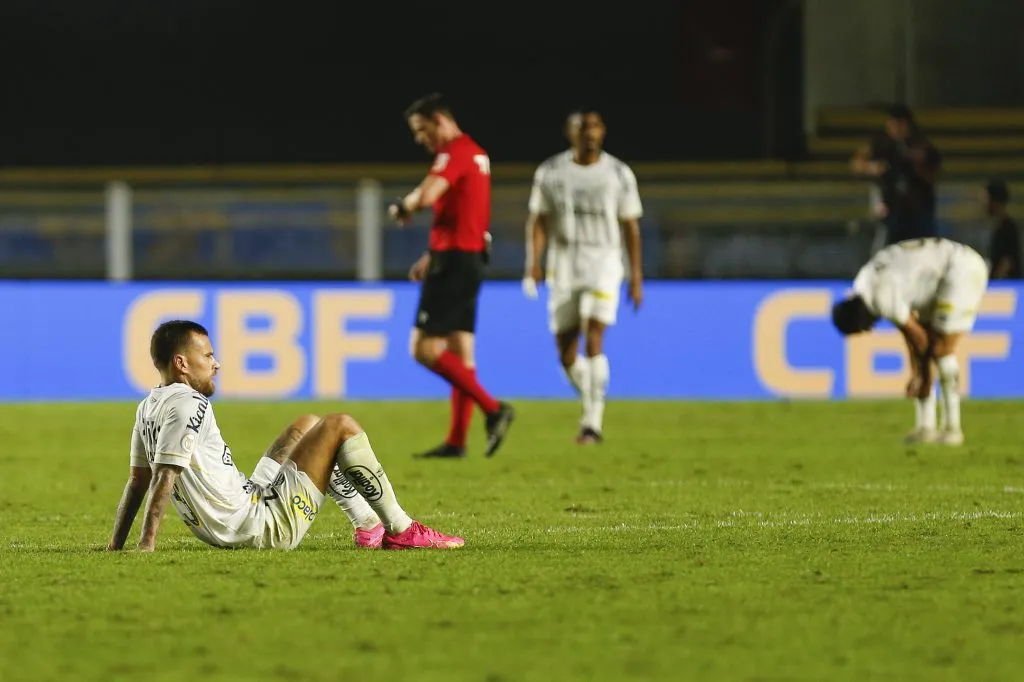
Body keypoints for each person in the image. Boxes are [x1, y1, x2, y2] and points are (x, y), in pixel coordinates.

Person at [105, 320, 464, 552]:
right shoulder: (189, 404)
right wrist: (147, 543)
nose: (217, 363)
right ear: (182, 363)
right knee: (341, 424)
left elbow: (138, 480)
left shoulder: (148, 406)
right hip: (257, 527)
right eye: (209, 355)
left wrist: (115, 546)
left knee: (306, 424)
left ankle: (366, 524)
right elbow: (165, 475)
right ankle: (401, 529)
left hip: (242, 507)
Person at [388, 92, 515, 459]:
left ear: (440, 121)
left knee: (423, 349)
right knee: (461, 351)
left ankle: (493, 409)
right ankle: (457, 441)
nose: (419, 139)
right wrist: (433, 252)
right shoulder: (476, 154)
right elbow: (463, 213)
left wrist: (406, 204)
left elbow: (430, 193)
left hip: (456, 263)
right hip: (467, 257)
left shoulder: (455, 152)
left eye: (421, 129)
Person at [521, 108, 644, 443]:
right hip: (563, 267)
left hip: (604, 264)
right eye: (582, 128)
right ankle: (592, 400)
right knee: (565, 353)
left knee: (594, 337)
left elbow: (630, 225)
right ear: (570, 132)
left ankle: (592, 423)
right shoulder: (550, 172)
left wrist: (635, 276)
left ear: (602, 132)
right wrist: (533, 261)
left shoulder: (618, 173)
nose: (589, 133)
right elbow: (539, 220)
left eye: (595, 127)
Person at [830, 237, 989, 446]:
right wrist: (917, 373)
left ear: (858, 317)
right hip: (933, 278)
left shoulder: (880, 298)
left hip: (960, 270)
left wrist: (921, 375)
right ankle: (926, 427)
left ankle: (952, 429)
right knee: (927, 351)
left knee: (941, 348)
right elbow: (910, 336)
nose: (869, 330)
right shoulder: (864, 285)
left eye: (862, 328)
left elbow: (918, 338)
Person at [851, 104, 942, 246]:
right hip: (892, 209)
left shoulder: (922, 145)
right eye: (892, 124)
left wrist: (917, 166)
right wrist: (873, 168)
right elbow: (857, 163)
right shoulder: (883, 144)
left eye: (899, 124)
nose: (895, 129)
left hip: (918, 209)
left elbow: (934, 176)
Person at [983, 179, 1021, 280]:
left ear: (995, 201)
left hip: (1007, 287)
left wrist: (996, 282)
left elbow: (1008, 261)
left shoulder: (1009, 228)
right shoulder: (997, 226)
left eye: (987, 199)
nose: (984, 204)